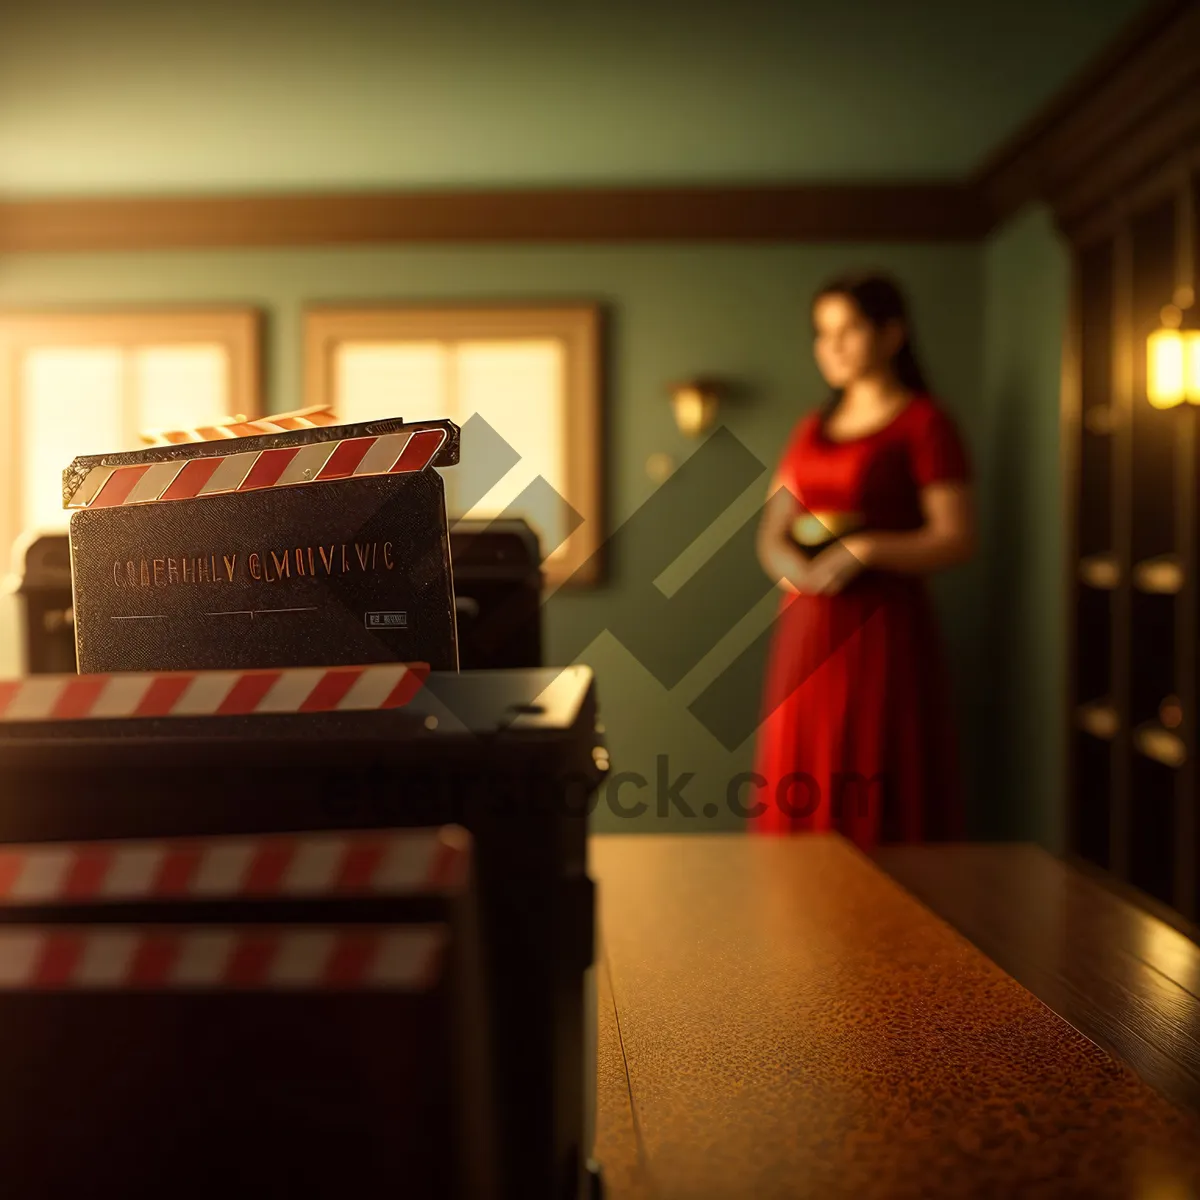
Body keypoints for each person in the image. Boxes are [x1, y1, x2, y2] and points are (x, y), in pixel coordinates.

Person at [752, 272, 976, 848]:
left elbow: (956, 537)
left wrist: (867, 549)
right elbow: (771, 530)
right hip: (806, 625)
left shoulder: (924, 423)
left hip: (881, 629)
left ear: (892, 334)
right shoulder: (810, 428)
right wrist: (788, 567)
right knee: (804, 767)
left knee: (874, 764)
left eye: (848, 330)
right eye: (822, 333)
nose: (833, 346)